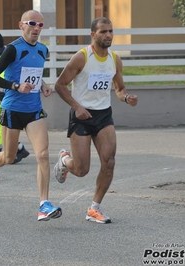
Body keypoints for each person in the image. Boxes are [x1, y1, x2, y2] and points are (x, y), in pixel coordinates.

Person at [54, 17, 138, 224]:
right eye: (103, 32)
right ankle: (65, 160)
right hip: (81, 117)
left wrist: (126, 98)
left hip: (103, 116)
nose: (108, 35)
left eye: (110, 31)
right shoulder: (81, 57)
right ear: (93, 35)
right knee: (82, 170)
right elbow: (60, 85)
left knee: (109, 162)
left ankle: (94, 208)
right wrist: (77, 107)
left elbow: (119, 89)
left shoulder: (115, 60)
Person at [0, 10, 62, 221]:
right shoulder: (12, 50)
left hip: (34, 110)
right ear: (21, 25)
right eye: (32, 24)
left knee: (43, 155)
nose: (36, 28)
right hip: (12, 109)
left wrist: (43, 85)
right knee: (8, 157)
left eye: (40, 25)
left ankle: (43, 204)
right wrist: (16, 86)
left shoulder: (43, 50)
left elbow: (34, 74)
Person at [0, 31, 30, 164]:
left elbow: (3, 78)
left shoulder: (2, 57)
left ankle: (18, 148)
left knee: (2, 126)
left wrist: (0, 96)